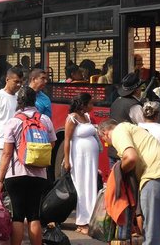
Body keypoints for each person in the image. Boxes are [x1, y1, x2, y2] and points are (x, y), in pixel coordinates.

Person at [98, 119, 160, 245]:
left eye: (104, 140)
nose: (108, 144)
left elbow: (131, 157)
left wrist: (118, 171)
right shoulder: (135, 130)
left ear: (105, 133)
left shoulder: (118, 131)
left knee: (152, 233)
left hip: (157, 178)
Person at [0, 86, 56, 245]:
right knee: (34, 215)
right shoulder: (44, 119)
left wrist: (0, 179)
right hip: (39, 175)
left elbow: (7, 154)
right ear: (34, 100)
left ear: (19, 101)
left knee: (17, 215)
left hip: (15, 175)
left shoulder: (13, 122)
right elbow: (52, 143)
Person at [63, 93, 100, 235]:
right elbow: (67, 140)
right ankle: (81, 222)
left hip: (90, 159)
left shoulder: (87, 117)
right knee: (82, 187)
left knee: (90, 186)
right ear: (83, 105)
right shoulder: (72, 118)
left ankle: (90, 219)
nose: (93, 106)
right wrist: (67, 160)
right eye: (91, 103)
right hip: (78, 158)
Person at [107, 72, 144, 166]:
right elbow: (144, 128)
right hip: (127, 153)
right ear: (137, 90)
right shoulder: (134, 106)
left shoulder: (116, 101)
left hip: (113, 151)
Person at [0, 67, 23, 162]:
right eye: (16, 81)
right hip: (1, 145)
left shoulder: (19, 99)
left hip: (18, 145)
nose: (19, 85)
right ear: (7, 80)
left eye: (21, 82)